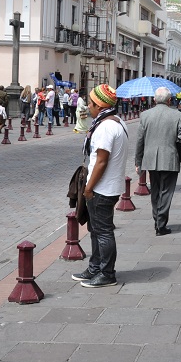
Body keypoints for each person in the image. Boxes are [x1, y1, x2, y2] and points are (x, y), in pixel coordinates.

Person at [72, 84, 128, 288]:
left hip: (102, 188)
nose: (88, 105)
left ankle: (107, 273)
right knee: (96, 230)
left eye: (91, 102)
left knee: (103, 231)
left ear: (99, 105)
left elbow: (102, 161)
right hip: (107, 185)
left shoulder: (106, 127)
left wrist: (89, 188)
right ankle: (95, 267)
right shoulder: (115, 121)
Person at [134, 86, 181, 236]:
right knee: (166, 192)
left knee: (155, 190)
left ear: (155, 100)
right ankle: (161, 223)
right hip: (169, 157)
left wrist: (138, 161)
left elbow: (139, 140)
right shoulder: (177, 115)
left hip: (150, 159)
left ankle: (157, 218)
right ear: (169, 100)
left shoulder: (145, 115)